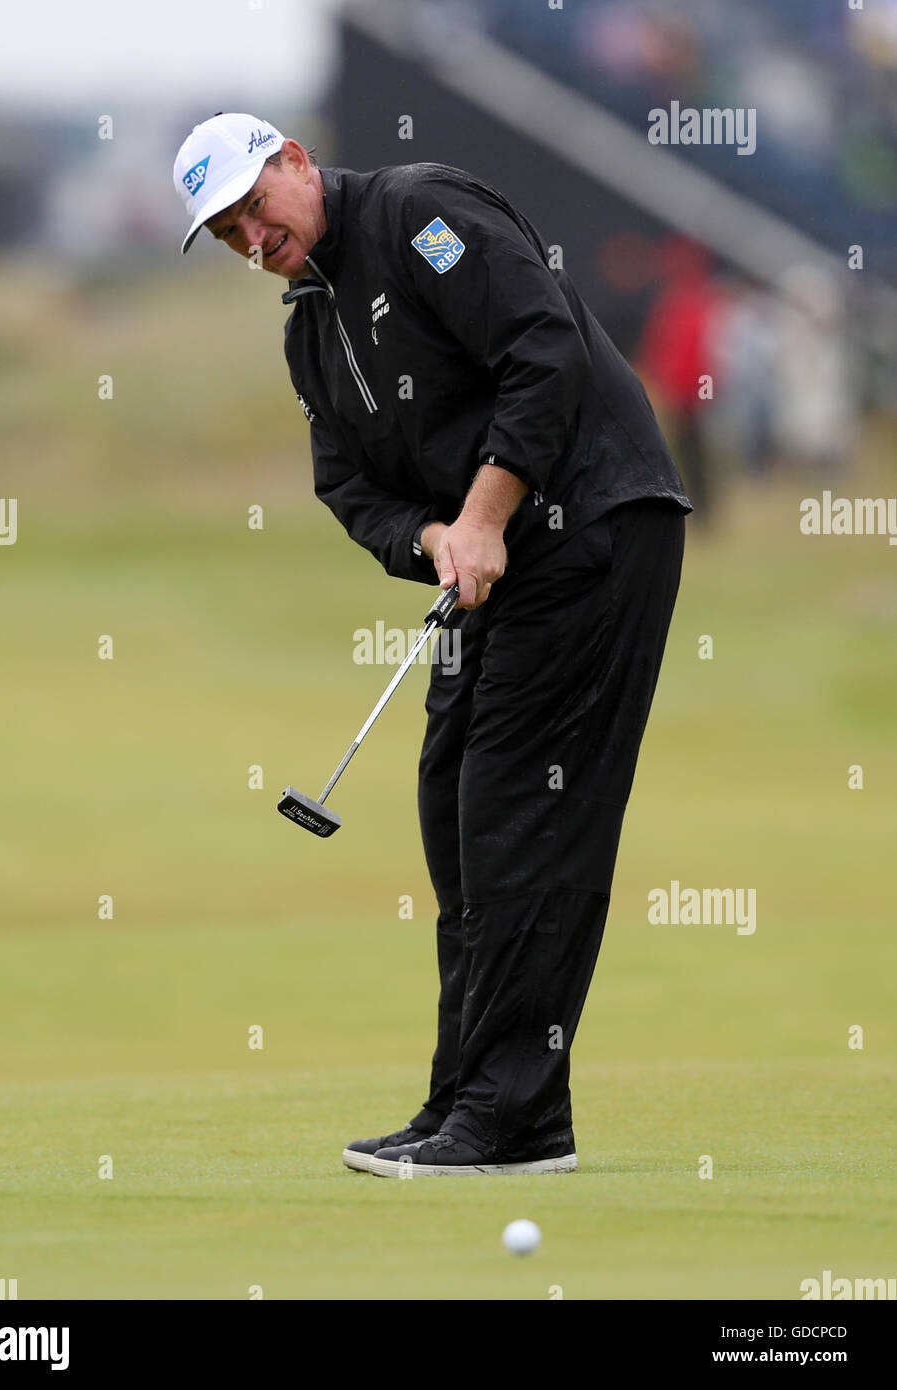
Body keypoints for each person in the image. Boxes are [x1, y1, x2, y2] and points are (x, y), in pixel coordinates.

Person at [173, 113, 692, 1177]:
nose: (249, 237)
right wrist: (431, 537)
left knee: (520, 813)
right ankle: (471, 1099)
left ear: (298, 164)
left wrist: (487, 512)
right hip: (489, 570)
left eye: (252, 207)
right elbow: (346, 485)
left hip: (591, 523)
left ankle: (512, 1118)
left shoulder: (419, 216)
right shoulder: (308, 329)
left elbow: (541, 349)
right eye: (224, 231)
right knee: (454, 806)